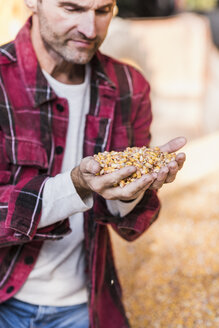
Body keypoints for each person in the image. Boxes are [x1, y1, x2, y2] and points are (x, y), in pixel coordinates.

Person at [0, 0, 186, 327]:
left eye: (103, 11)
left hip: (86, 306)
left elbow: (131, 224)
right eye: (72, 9)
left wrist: (129, 193)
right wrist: (74, 187)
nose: (90, 30)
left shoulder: (130, 86)